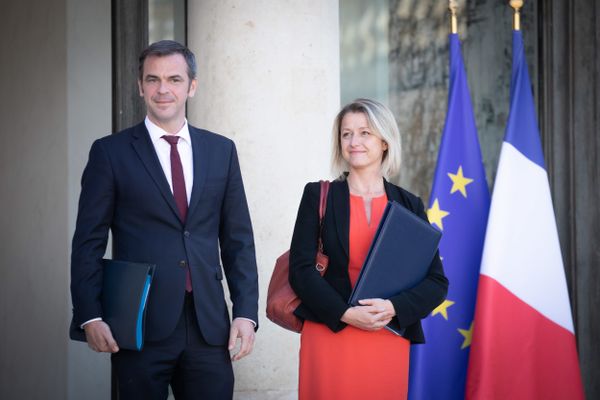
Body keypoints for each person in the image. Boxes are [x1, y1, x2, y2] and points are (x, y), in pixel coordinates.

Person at [69, 40, 259, 400]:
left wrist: (246, 312)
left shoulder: (221, 151)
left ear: (192, 86)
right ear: (140, 86)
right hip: (140, 324)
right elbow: (88, 242)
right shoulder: (110, 153)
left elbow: (238, 240)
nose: (163, 89)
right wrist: (90, 315)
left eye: (174, 79)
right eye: (152, 79)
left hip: (208, 325)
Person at [289, 98, 448, 400]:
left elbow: (437, 283)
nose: (354, 141)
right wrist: (346, 313)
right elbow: (300, 271)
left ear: (385, 141)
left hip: (385, 334)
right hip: (329, 331)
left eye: (364, 133)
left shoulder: (409, 204)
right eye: (346, 134)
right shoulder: (317, 194)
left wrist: (394, 308)